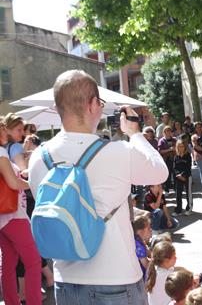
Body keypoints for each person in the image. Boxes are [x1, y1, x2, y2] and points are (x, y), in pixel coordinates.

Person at [28, 70, 168, 303]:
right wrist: (134, 134)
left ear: (58, 107)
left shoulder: (38, 158)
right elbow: (159, 171)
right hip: (116, 280)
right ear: (93, 104)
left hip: (67, 283)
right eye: (100, 103)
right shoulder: (117, 152)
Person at [0, 117, 42, 305]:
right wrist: (35, 185)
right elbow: (12, 182)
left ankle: (11, 302)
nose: (4, 131)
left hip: (3, 217)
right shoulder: (1, 152)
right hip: (13, 214)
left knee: (8, 262)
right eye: (1, 128)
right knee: (33, 260)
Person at [146, 241, 177, 305]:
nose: (176, 258)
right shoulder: (168, 276)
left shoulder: (155, 269)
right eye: (174, 257)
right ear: (166, 261)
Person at [173, 140, 193, 215]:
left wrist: (183, 175)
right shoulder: (176, 157)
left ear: (185, 147)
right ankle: (178, 210)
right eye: (179, 146)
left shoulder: (187, 155)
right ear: (177, 147)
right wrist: (178, 175)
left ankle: (189, 208)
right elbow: (174, 168)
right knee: (178, 194)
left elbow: (188, 167)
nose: (181, 148)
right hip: (178, 177)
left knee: (188, 193)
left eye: (182, 146)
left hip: (187, 176)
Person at [133, 214, 153, 280]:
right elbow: (146, 265)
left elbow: (149, 253)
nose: (151, 230)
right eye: (148, 228)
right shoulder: (138, 245)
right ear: (140, 231)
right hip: (140, 278)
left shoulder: (139, 241)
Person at [159, 126, 177, 192]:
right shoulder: (161, 140)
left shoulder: (175, 140)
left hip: (175, 159)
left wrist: (175, 149)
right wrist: (169, 149)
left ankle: (176, 188)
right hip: (166, 160)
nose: (168, 132)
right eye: (167, 131)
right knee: (168, 175)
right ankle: (167, 189)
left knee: (175, 174)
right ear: (164, 132)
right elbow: (160, 151)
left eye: (169, 130)